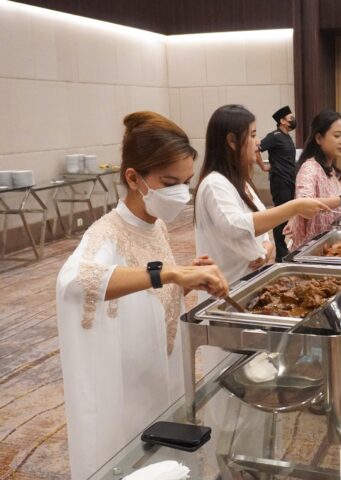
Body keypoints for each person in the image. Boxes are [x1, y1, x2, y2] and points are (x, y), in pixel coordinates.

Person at [56, 111, 230, 479]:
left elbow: (150, 291)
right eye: (169, 182)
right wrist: (167, 272)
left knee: (167, 452)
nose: (181, 193)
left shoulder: (157, 226)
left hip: (158, 369)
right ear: (134, 178)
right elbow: (75, 280)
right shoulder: (107, 232)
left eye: (186, 182)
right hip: (126, 381)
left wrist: (183, 281)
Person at [195, 104, 330, 284]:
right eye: (252, 135)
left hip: (248, 283)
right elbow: (236, 227)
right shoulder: (214, 184)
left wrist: (266, 246)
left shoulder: (241, 182)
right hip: (226, 287)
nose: (258, 142)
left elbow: (258, 220)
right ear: (232, 141)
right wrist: (294, 207)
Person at [285, 111, 341, 250]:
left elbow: (339, 208)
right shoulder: (310, 168)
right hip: (311, 251)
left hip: (329, 247)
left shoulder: (330, 170)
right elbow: (304, 204)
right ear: (319, 138)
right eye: (337, 136)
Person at [258, 105, 298, 262]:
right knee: (280, 216)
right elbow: (257, 148)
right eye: (290, 118)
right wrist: (262, 166)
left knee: (288, 214)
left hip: (289, 180)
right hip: (279, 181)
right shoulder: (274, 136)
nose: (293, 121)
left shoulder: (287, 137)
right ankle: (281, 255)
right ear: (282, 121)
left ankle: (284, 250)